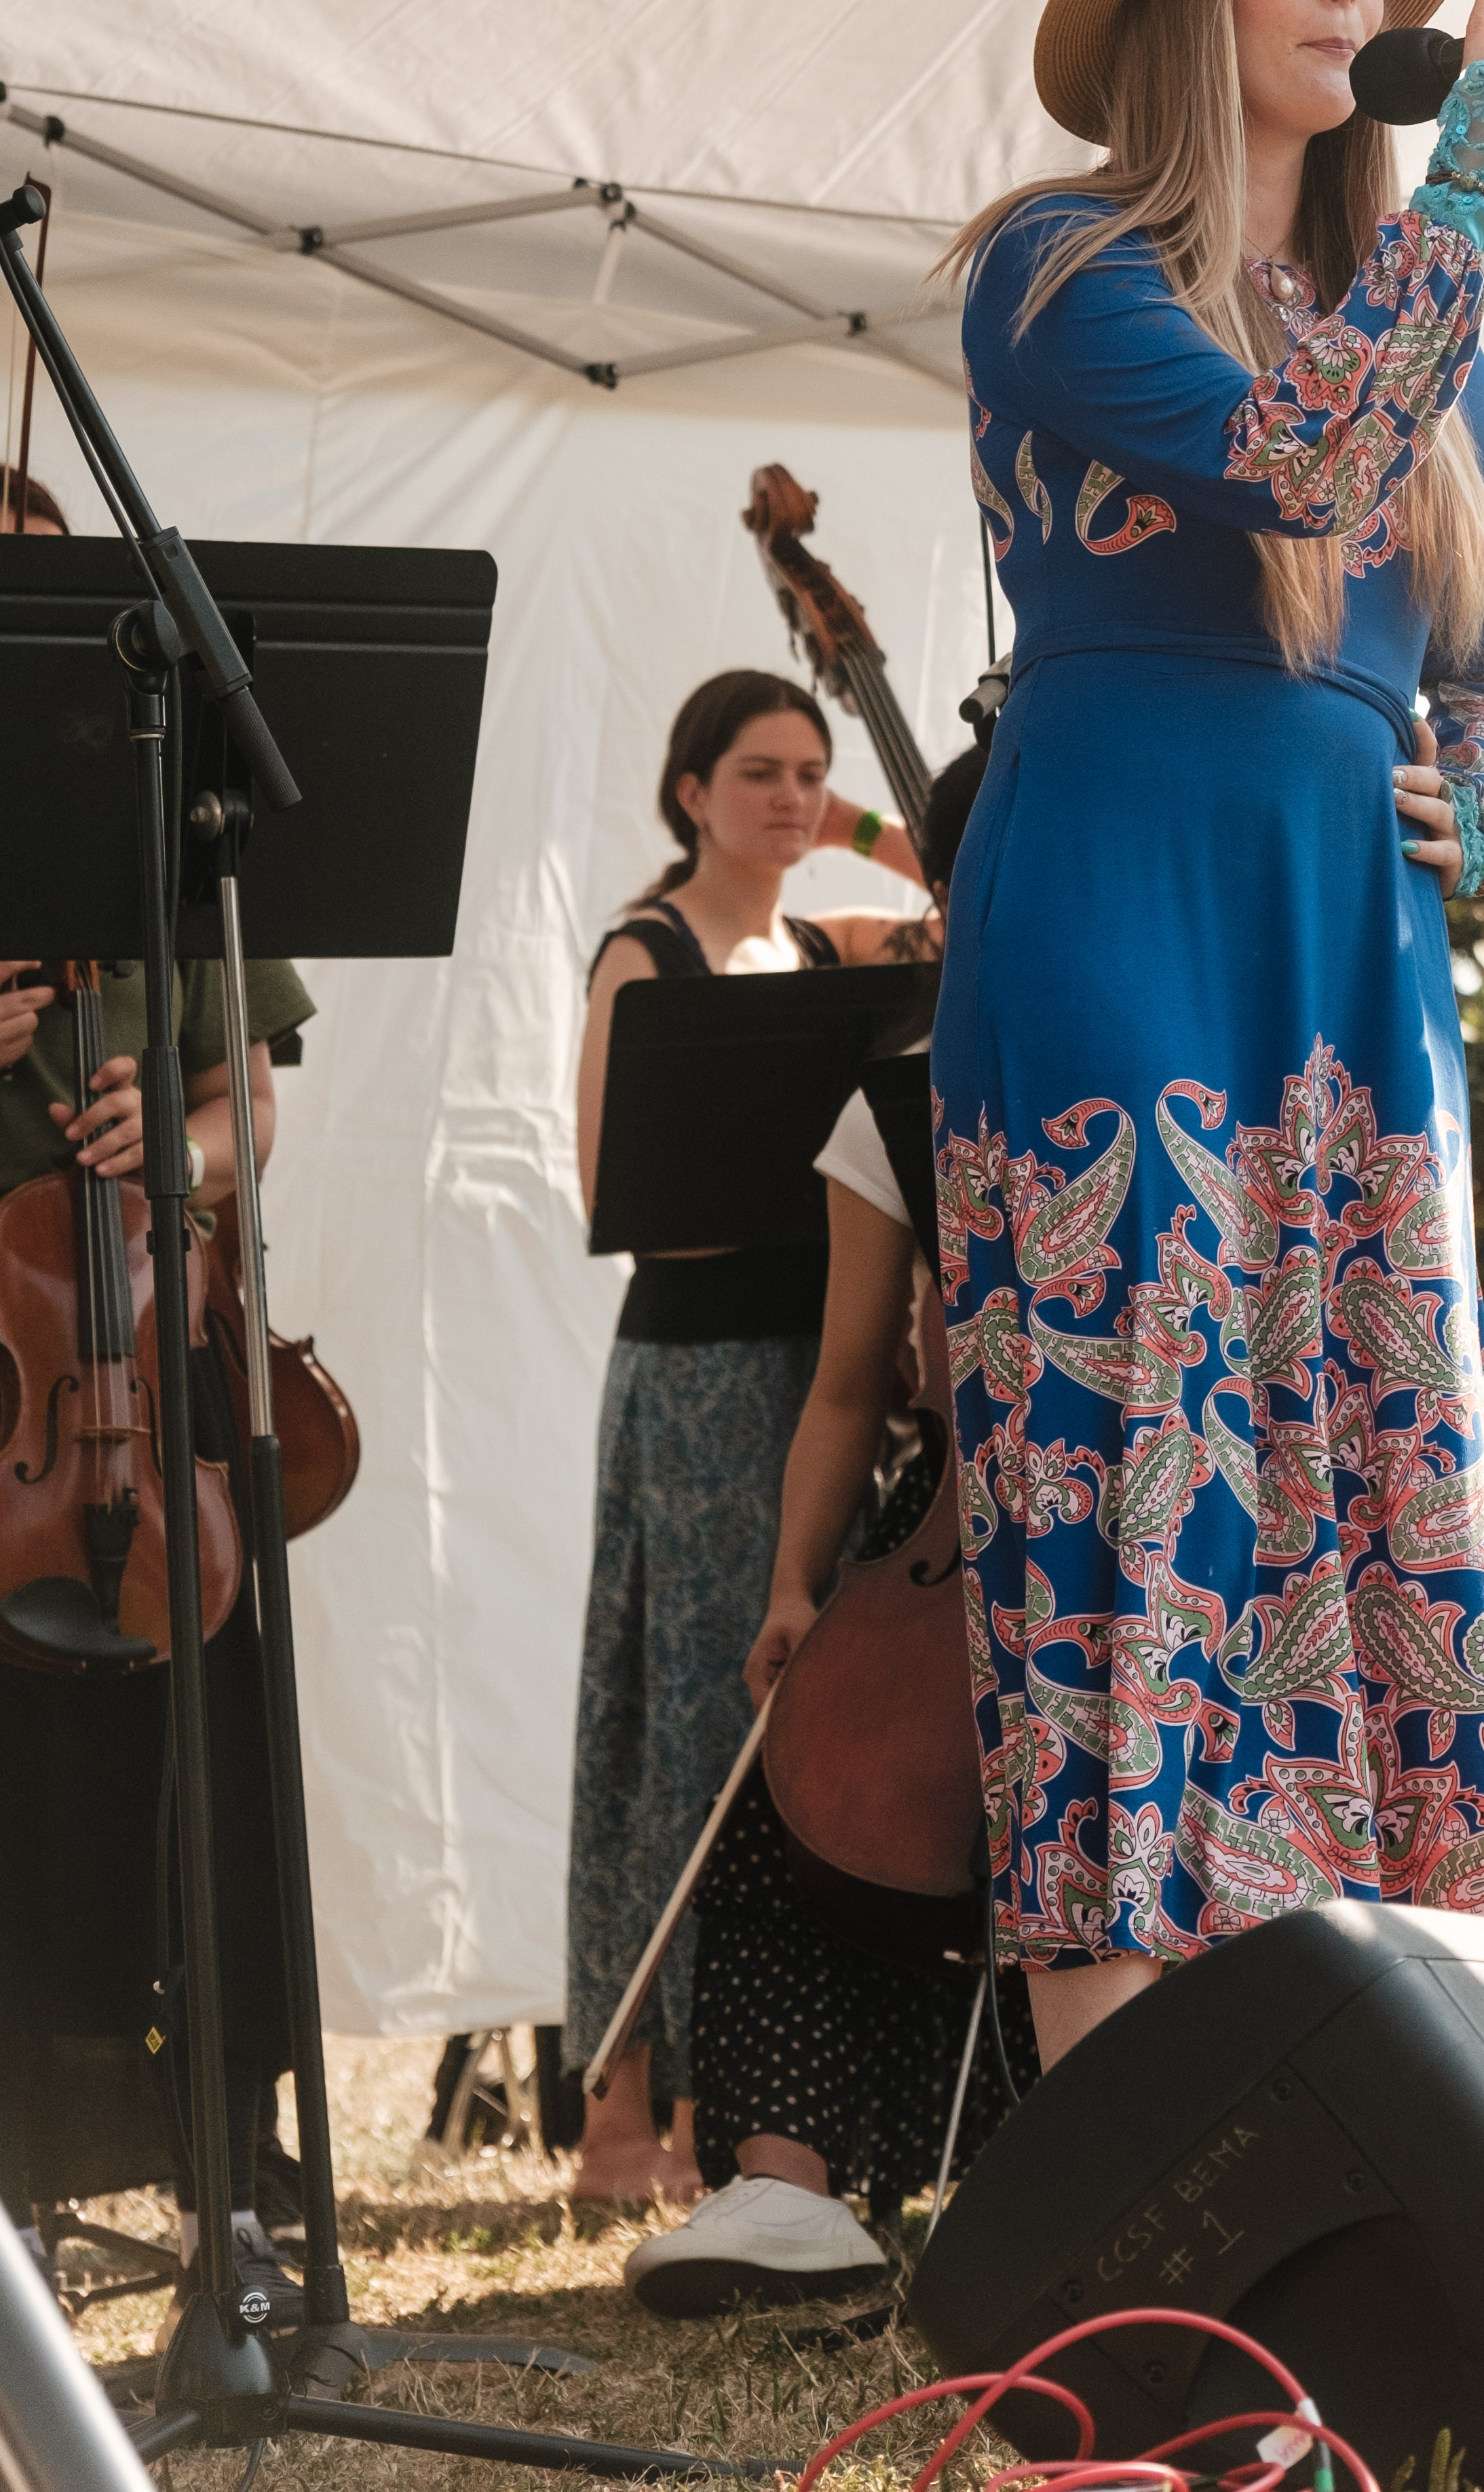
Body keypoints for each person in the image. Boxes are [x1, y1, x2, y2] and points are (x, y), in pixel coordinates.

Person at [932, 0, 1484, 2071]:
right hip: (1123, 918)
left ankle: (1442, 2132)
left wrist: (1476, 800)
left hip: (1356, 958)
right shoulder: (1057, 264)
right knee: (1137, 1494)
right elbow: (1305, 457)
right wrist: (1481, 179)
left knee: (1387, 1473)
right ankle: (1143, 2220)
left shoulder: (1424, 319)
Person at [625, 738, 1021, 2317]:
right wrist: (797, 1589)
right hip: (950, 1538)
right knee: (807, 1789)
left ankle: (1042, 2140)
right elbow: (852, 1387)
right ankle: (787, 2192)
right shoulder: (900, 1100)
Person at [0, 468, 315, 2320]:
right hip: (14, 1383)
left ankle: (235, 2170)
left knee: (215, 1756)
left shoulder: (157, 825)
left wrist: (176, 1140)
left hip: (153, 1360)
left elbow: (249, 1099)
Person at [562, 671, 914, 2204]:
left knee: (794, 1747)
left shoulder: (831, 945)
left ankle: (748, 2109)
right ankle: (621, 2119)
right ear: (689, 787)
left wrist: (860, 826)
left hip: (822, 1357)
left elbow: (972, 888)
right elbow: (606, 1186)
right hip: (702, 1371)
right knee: (682, 1738)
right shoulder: (646, 950)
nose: (786, 798)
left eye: (807, 776)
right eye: (757, 772)